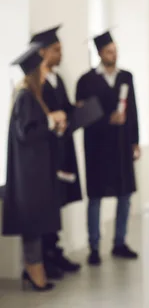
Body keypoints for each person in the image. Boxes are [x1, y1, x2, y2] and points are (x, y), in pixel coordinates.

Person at [2, 42, 67, 292]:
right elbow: (26, 133)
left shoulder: (33, 96)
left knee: (37, 222)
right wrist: (51, 122)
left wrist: (54, 126)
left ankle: (34, 268)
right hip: (28, 174)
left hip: (35, 171)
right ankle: (33, 268)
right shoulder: (25, 96)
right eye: (40, 69)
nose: (44, 73)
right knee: (32, 223)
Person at [75, 30, 140, 266]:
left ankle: (119, 242)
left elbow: (132, 110)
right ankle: (94, 246)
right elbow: (82, 116)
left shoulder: (126, 77)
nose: (114, 54)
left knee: (125, 195)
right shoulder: (86, 81)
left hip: (122, 144)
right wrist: (106, 120)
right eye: (110, 50)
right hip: (97, 147)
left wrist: (135, 141)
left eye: (116, 50)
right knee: (95, 197)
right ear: (100, 53)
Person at [29, 25, 83, 279]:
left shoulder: (57, 79)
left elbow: (65, 108)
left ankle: (55, 250)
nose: (61, 55)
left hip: (62, 149)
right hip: (43, 154)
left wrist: (74, 112)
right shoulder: (34, 84)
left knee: (58, 201)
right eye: (56, 50)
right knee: (46, 204)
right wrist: (54, 119)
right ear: (42, 53)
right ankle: (45, 255)